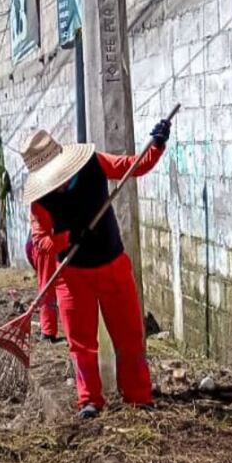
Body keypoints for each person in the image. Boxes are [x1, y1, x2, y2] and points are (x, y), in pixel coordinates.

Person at [24, 120, 171, 419]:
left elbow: (132, 166)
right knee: (82, 345)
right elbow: (40, 242)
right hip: (73, 277)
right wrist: (67, 237)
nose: (59, 182)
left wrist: (156, 145)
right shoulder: (41, 200)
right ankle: (89, 400)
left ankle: (138, 396)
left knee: (129, 336)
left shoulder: (93, 163)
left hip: (113, 265)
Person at [25, 234, 60, 343]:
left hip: (43, 244)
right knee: (47, 288)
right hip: (44, 246)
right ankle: (48, 332)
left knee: (51, 287)